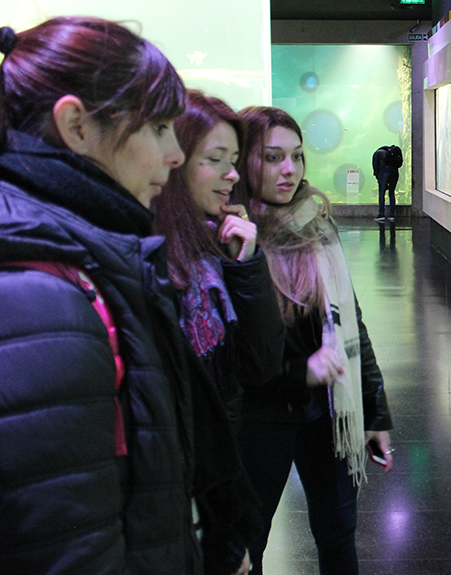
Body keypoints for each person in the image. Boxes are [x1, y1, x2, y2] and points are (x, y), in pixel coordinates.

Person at [0, 18, 252, 575]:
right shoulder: (42, 292)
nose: (175, 154)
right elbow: (68, 545)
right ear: (76, 125)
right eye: (158, 128)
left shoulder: (81, 251)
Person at [235, 106, 394, 574]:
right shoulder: (231, 234)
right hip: (260, 414)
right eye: (272, 157)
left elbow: (351, 320)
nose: (289, 169)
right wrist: (301, 371)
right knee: (246, 544)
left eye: (297, 156)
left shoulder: (317, 223)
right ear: (244, 159)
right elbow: (235, 350)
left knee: (338, 533)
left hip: (327, 409)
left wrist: (373, 410)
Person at [152, 90, 288, 574]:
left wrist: (246, 266)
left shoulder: (215, 245)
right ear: (173, 160)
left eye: (233, 162)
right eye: (215, 160)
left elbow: (260, 364)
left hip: (216, 479)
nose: (232, 175)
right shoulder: (148, 257)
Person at [372, 144, 402, 222]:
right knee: (391, 193)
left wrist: (379, 178)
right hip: (395, 172)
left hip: (384, 172)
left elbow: (375, 167)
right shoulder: (392, 154)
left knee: (382, 193)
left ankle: (381, 214)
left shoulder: (377, 153)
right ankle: (392, 214)